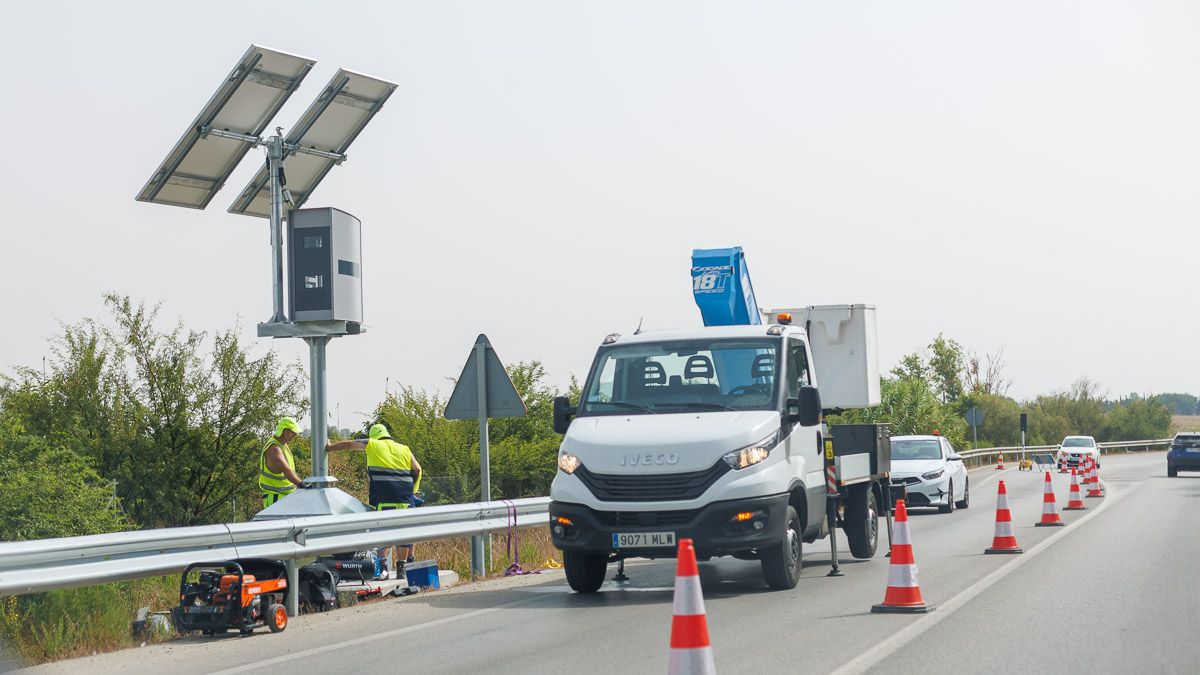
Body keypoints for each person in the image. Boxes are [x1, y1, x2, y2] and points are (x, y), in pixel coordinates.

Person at [327, 423, 423, 567]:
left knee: (384, 531)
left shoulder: (373, 444)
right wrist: (413, 489)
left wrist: (330, 447)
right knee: (404, 532)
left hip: (384, 496)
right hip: (405, 497)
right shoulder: (404, 448)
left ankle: (382, 566)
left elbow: (349, 444)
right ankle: (401, 568)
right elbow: (417, 469)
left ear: (374, 437)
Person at [259, 417, 305, 509]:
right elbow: (287, 470)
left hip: (284, 497)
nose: (295, 434)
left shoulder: (283, 444)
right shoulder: (274, 449)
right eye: (293, 431)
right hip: (275, 499)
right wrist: (303, 484)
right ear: (284, 431)